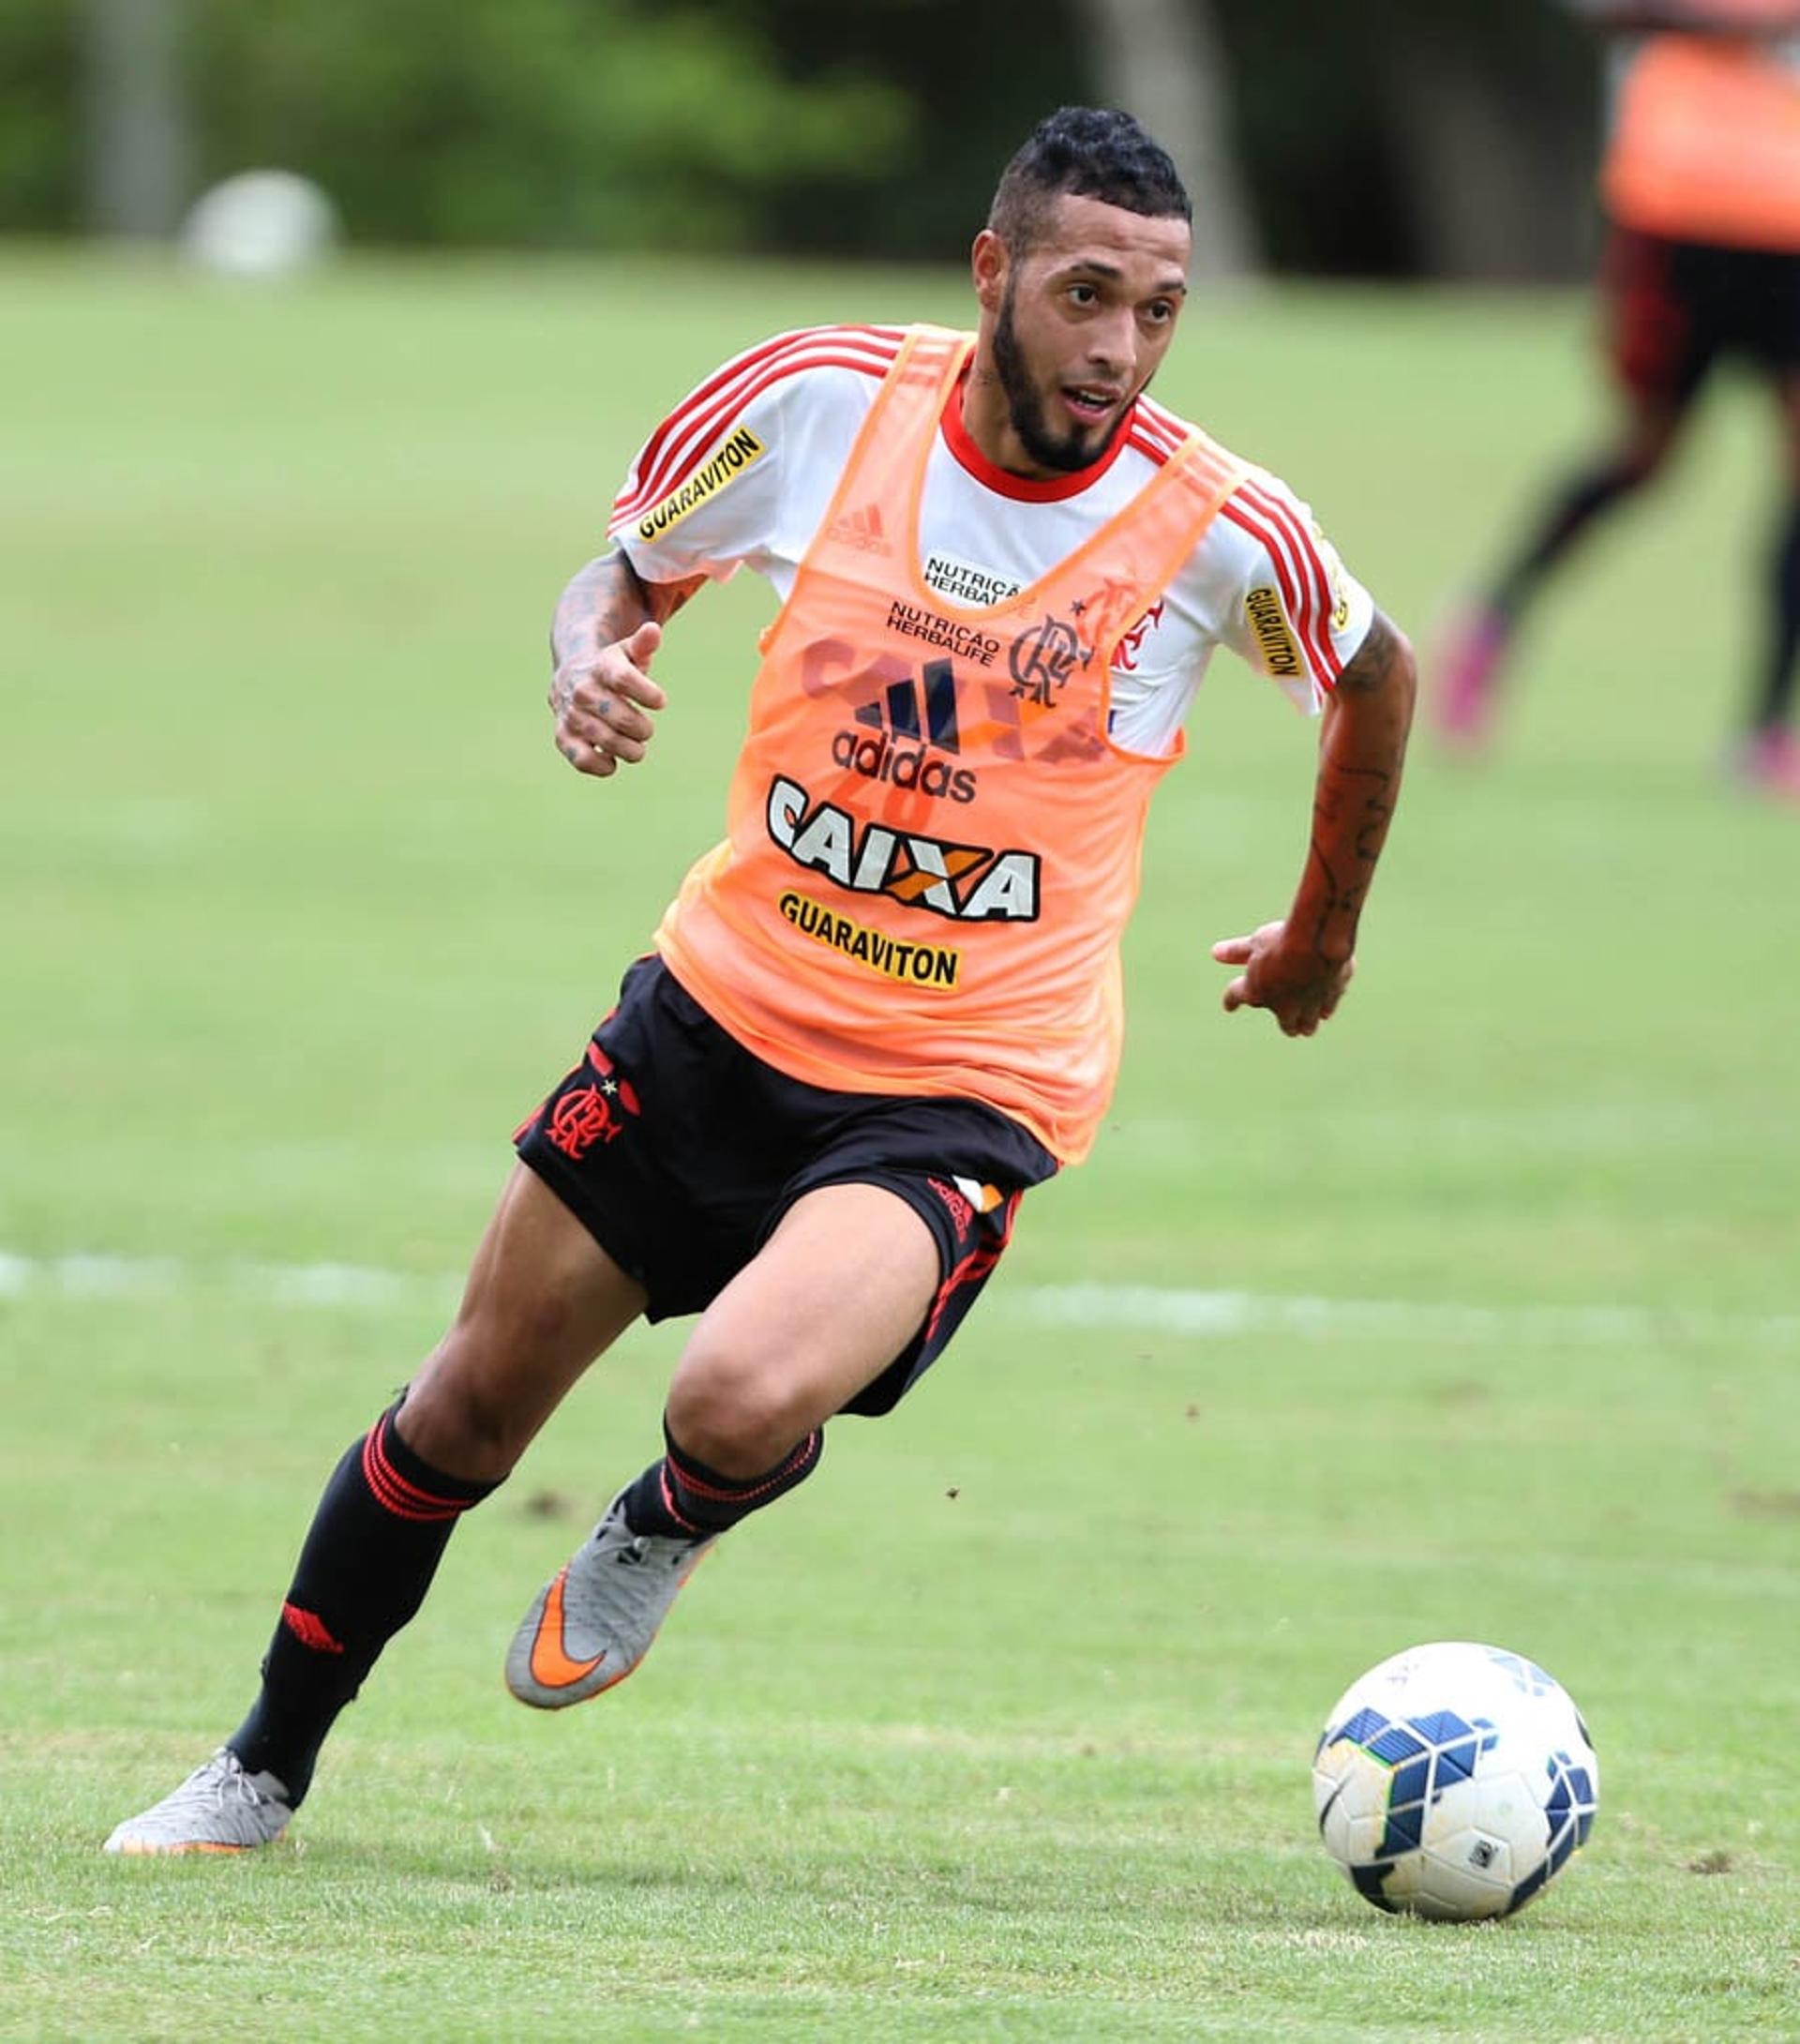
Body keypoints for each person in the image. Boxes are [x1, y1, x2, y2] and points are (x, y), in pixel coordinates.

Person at [105, 107, 1416, 1855]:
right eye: (1087, 292)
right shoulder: (819, 404)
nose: (1117, 347)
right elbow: (623, 579)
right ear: (994, 271)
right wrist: (590, 661)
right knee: (468, 1402)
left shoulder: (1213, 529)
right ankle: (257, 1769)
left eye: (1158, 309)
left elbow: (1371, 672)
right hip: (713, 1013)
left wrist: (1322, 933)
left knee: (729, 1394)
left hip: (958, 1087)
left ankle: (674, 1511)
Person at [1437, 0, 1800, 798]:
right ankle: (1492, 624)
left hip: (1791, 220)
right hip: (1679, 209)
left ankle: (1767, 730)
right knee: (1645, 455)